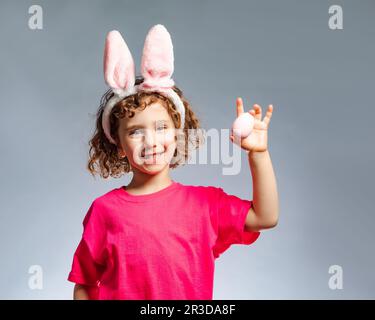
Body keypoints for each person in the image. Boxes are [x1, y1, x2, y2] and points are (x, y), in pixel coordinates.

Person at [67, 24, 279, 300]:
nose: (151, 141)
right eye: (136, 131)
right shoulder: (103, 211)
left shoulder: (205, 205)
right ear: (118, 146)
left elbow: (266, 217)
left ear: (177, 133)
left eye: (161, 128)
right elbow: (84, 284)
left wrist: (258, 154)